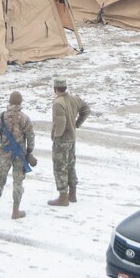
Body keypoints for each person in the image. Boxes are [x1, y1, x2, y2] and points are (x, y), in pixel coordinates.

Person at [0, 90, 34, 220]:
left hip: (4, 153)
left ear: (9, 101)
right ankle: (15, 211)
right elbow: (30, 138)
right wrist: (29, 152)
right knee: (18, 182)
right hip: (19, 155)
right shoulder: (25, 118)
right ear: (20, 102)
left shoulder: (0, 117)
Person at [47, 77, 92, 206]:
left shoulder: (58, 103)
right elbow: (86, 110)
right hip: (72, 139)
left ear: (55, 89)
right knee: (71, 165)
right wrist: (77, 123)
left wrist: (56, 136)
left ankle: (62, 197)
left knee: (60, 168)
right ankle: (72, 194)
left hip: (62, 140)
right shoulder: (74, 99)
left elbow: (61, 122)